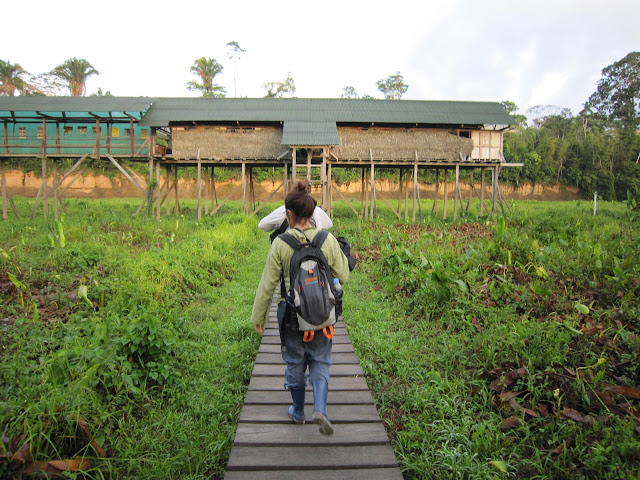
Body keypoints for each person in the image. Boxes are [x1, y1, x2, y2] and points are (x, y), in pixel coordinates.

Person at [251, 181, 350, 435]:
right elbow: (344, 275)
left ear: (290, 215)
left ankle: (298, 411)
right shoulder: (326, 240)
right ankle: (320, 408)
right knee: (320, 359)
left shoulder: (280, 244)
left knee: (295, 362)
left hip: (291, 316)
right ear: (312, 214)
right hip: (322, 313)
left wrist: (258, 316)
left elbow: (267, 285)